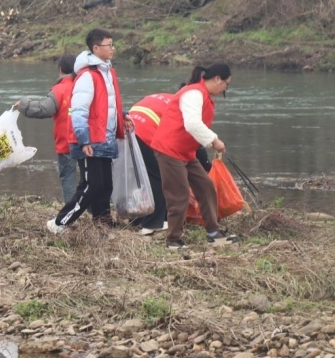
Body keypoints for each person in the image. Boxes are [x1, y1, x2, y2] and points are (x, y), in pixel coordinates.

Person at [46, 29, 133, 234]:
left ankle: (103, 224)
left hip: (105, 137)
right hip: (89, 140)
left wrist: (123, 115)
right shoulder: (87, 75)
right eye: (108, 45)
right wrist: (83, 140)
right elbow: (78, 111)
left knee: (105, 185)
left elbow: (108, 103)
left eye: (113, 44)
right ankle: (60, 223)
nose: (113, 49)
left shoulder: (108, 72)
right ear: (96, 48)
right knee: (90, 185)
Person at [150, 63, 239, 249]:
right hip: (169, 149)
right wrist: (214, 140)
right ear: (217, 79)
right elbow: (192, 124)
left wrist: (210, 140)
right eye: (226, 84)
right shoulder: (193, 93)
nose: (226, 88)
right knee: (179, 195)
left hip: (185, 152)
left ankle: (214, 232)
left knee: (206, 187)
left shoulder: (202, 94)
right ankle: (173, 240)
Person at [127, 93, 213, 235]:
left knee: (142, 178)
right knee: (161, 177)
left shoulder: (170, 98)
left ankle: (137, 220)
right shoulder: (189, 110)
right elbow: (196, 147)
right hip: (147, 133)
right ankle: (152, 224)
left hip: (127, 129)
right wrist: (208, 169)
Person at [15, 54, 77, 204]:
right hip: (89, 141)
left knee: (68, 177)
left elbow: (44, 109)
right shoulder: (85, 86)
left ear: (60, 69)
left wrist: (24, 104)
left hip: (66, 142)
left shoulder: (60, 89)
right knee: (89, 180)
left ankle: (70, 212)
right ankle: (91, 211)